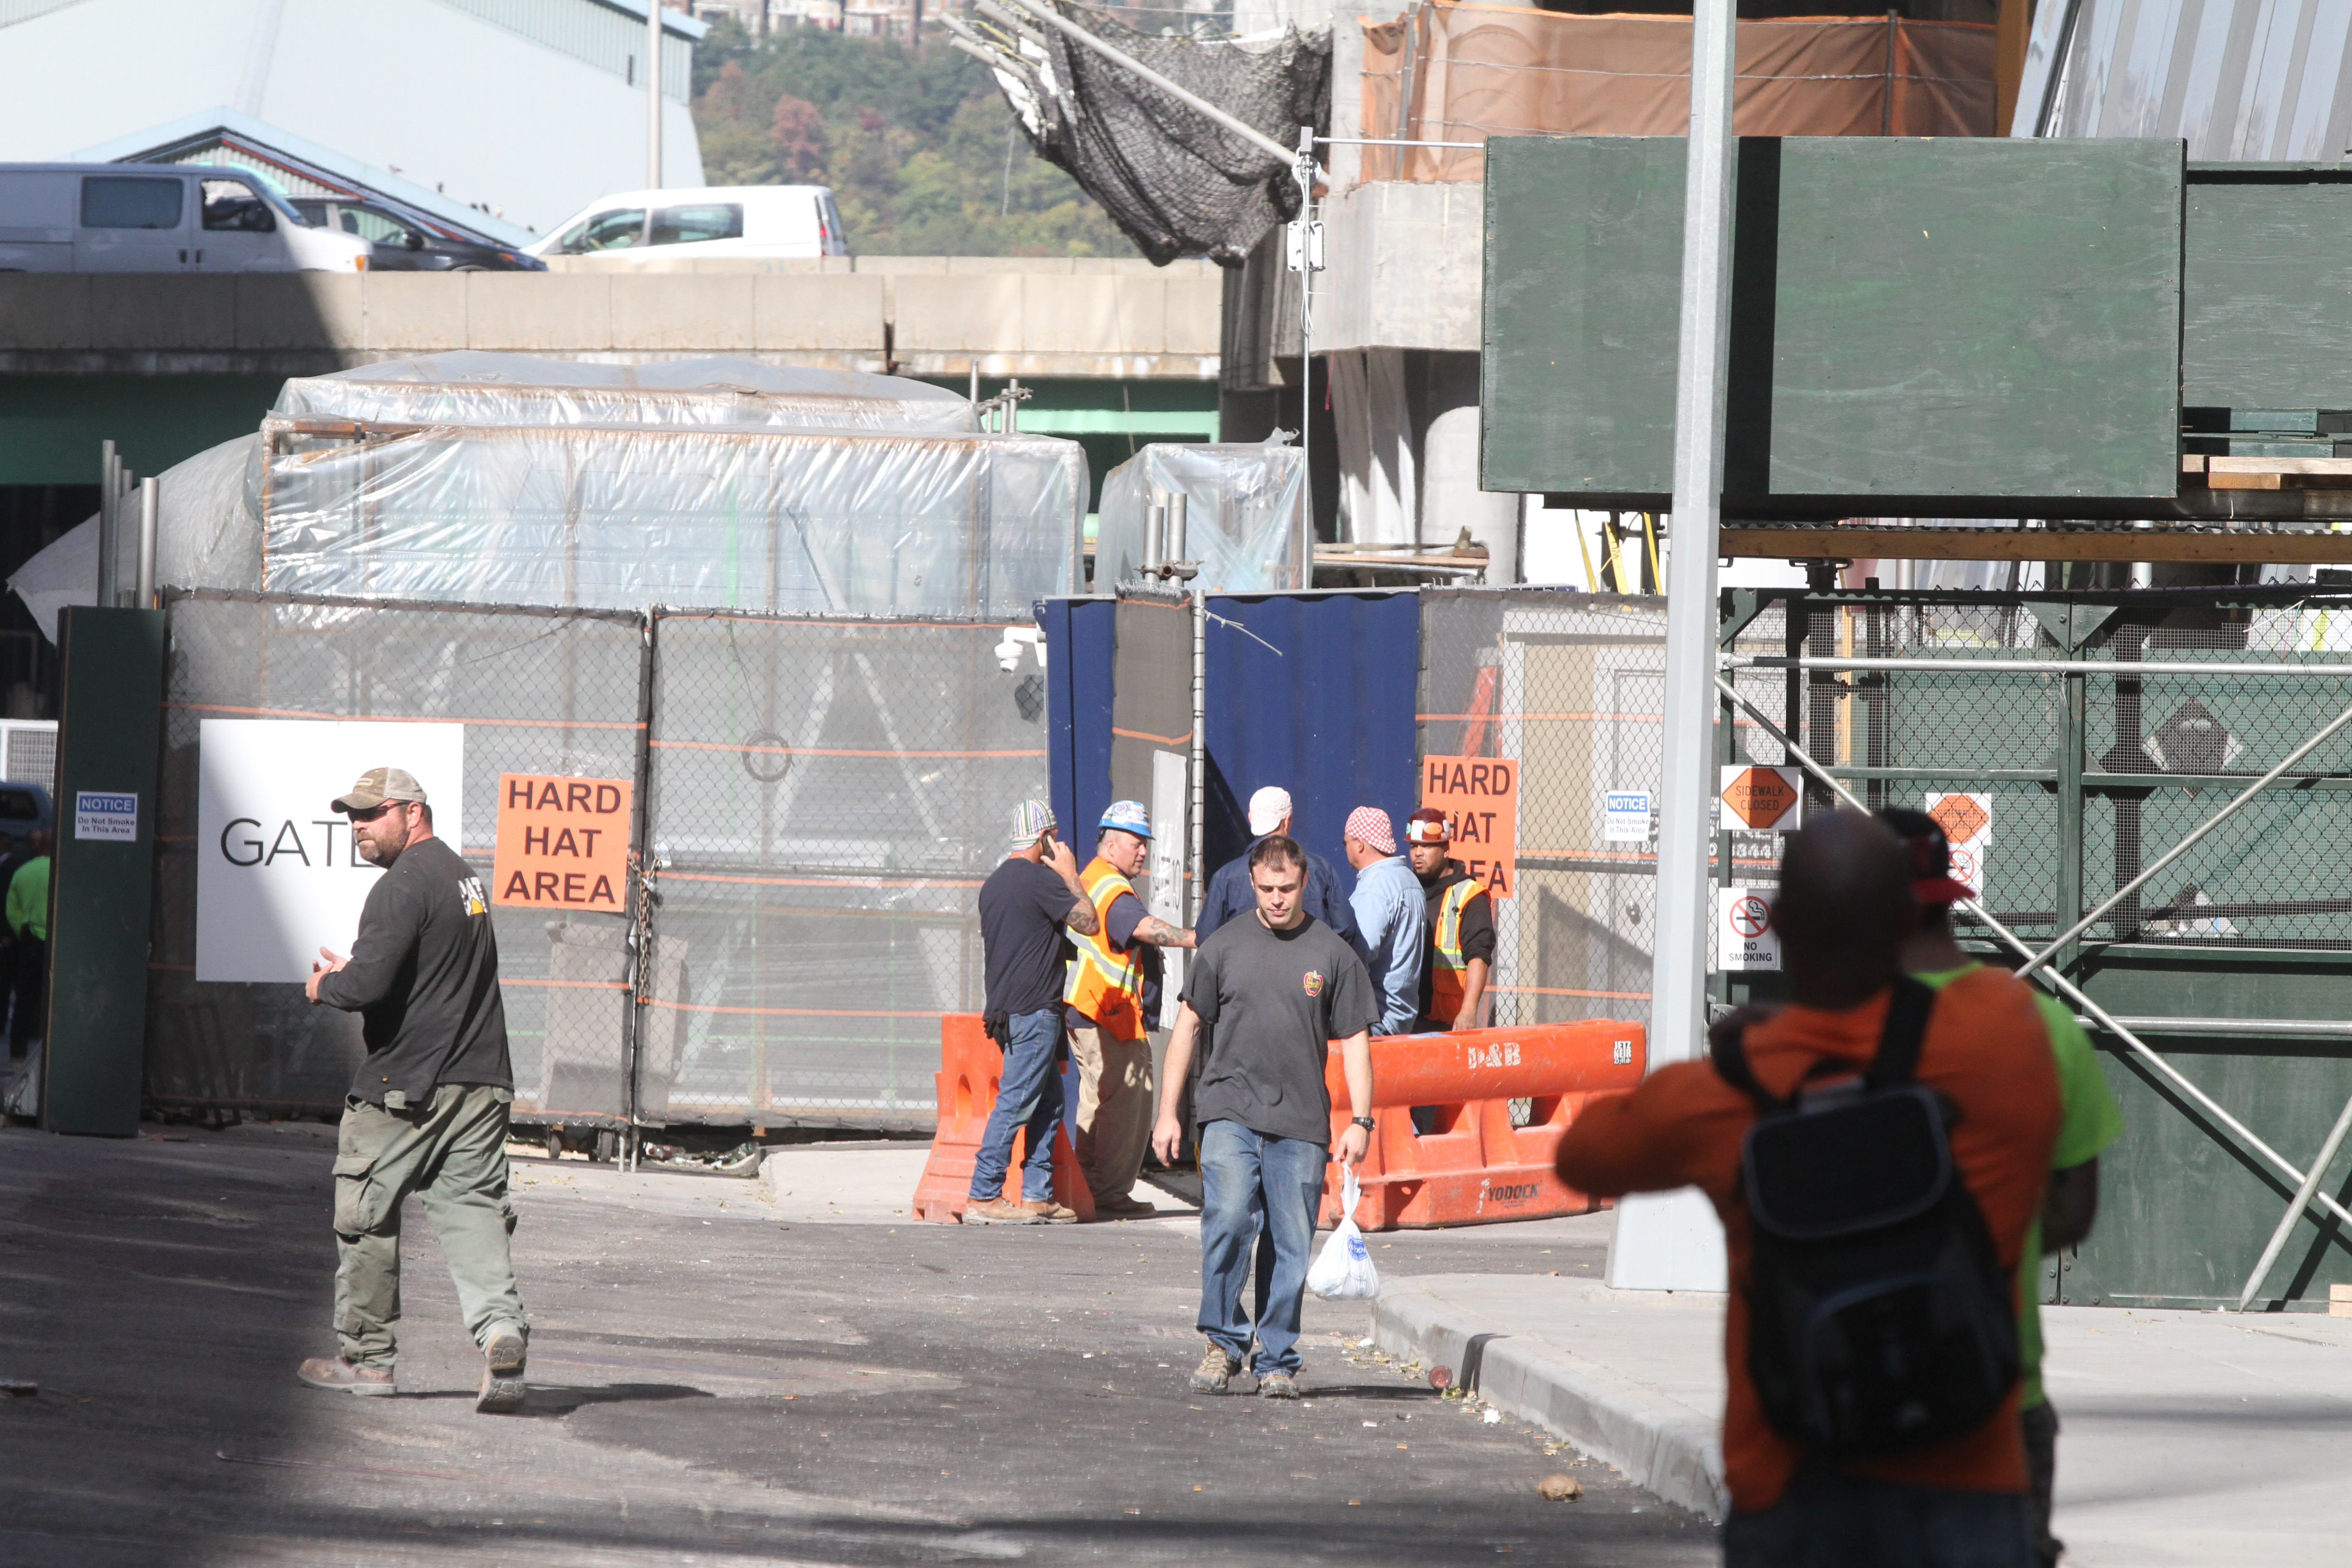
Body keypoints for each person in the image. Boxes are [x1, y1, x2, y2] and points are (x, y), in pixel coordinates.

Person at [1555, 812, 2061, 1565]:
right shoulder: (2006, 1036)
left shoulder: (1722, 1091)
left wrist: (1753, 1040)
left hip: (1793, 1487)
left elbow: (1580, 1158)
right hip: (1969, 1478)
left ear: (1780, 925)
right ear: (1904, 919)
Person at [1876, 807, 2121, 1568]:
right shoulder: (2045, 1028)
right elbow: (2074, 1211)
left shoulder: (1821, 1035)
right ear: (1946, 896)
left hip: (1859, 1405)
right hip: (1998, 1396)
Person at [297, 767, 532, 1415]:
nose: (359, 829)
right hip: (481, 1081)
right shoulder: (463, 879)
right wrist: (365, 972)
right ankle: (500, 1333)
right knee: (476, 1210)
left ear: (413, 813)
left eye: (371, 816)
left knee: (366, 1214)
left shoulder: (400, 887)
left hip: (407, 1085)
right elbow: (431, 976)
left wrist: (327, 985)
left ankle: (367, 1363)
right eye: (353, 817)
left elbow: (365, 989)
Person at [1152, 834, 1376, 1400]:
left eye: (1288, 888)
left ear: (1306, 885)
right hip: (1228, 1108)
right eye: (1268, 889)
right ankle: (1223, 1345)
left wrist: (1362, 1121)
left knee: (1290, 1239)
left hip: (1301, 1121)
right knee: (1228, 1218)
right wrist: (1168, 1113)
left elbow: (1355, 1040)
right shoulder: (1223, 947)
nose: (1278, 899)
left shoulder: (1333, 954)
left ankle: (1277, 1357)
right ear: (1251, 885)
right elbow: (1187, 1028)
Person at [965, 798, 1099, 1226]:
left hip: (1006, 1011)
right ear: (1044, 837)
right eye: (1053, 837)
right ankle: (983, 1193)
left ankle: (1037, 1195)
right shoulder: (1041, 881)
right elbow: (1089, 922)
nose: (1056, 844)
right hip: (1035, 1012)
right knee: (1018, 1102)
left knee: (1050, 1101)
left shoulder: (995, 884)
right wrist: (1070, 875)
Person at [1065, 800, 1195, 1218]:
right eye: (1136, 843)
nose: (1143, 852)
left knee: (1097, 1101)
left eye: (1145, 844)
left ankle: (1087, 1183)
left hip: (1088, 1008)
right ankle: (1110, 1193)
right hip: (1109, 1012)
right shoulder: (1112, 887)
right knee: (1127, 1106)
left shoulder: (1093, 878)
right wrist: (1195, 938)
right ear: (1111, 845)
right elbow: (1138, 928)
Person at [1196, 785, 1361, 950]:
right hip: (1310, 972)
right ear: (1288, 820)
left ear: (1251, 819)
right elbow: (1346, 929)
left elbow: (1206, 938)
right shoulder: (1321, 870)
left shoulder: (1226, 877)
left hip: (1248, 973)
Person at [1404, 807, 1495, 1032]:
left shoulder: (1469, 895)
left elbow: (1479, 956)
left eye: (1427, 846)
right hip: (1404, 1015)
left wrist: (1468, 1012)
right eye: (1414, 846)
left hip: (1446, 1020)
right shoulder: (1405, 888)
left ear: (1446, 849)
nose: (1418, 853)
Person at [1342, 806, 1426, 1036]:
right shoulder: (1408, 880)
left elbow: (1356, 955)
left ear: (1359, 844)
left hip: (1375, 1021)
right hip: (1400, 1018)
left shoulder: (1376, 888)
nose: (1345, 848)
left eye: (1345, 842)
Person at [5, 828, 48, 1061]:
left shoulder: (24, 872)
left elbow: (12, 910)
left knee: (25, 999)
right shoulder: (65, 873)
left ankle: (18, 1052)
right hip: (59, 941)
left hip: (31, 940)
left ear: (38, 847)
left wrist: (24, 931)